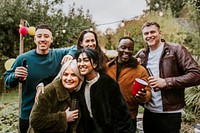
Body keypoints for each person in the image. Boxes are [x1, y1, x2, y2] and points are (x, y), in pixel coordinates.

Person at [3, 24, 76, 133]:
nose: (43, 39)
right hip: (28, 114)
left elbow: (76, 47)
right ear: (35, 39)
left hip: (53, 114)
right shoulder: (23, 58)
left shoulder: (58, 55)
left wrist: (70, 54)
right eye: (39, 36)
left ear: (51, 39)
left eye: (46, 36)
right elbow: (7, 81)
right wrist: (15, 76)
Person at [135, 21, 200, 133]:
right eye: (146, 34)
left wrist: (166, 82)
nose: (149, 36)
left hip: (170, 114)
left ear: (160, 33)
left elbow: (196, 75)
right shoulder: (142, 54)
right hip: (149, 112)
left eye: (152, 32)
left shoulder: (176, 50)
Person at [35, 29, 110, 100]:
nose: (90, 44)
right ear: (81, 43)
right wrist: (42, 83)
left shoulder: (103, 59)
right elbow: (60, 76)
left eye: (92, 41)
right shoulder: (76, 60)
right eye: (87, 41)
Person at [75, 48, 135, 132]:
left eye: (85, 60)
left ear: (95, 64)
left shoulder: (109, 84)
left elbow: (122, 115)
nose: (81, 64)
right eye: (79, 60)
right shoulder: (80, 84)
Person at [106, 36, 151, 132]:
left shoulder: (140, 70)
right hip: (107, 117)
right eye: (123, 47)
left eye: (130, 49)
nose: (126, 51)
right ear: (117, 48)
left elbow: (148, 93)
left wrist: (143, 96)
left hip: (128, 118)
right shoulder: (107, 67)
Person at [28, 60, 84, 133]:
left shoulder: (79, 92)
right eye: (65, 74)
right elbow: (35, 120)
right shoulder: (48, 92)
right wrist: (63, 117)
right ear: (61, 76)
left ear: (80, 77)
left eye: (73, 75)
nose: (69, 78)